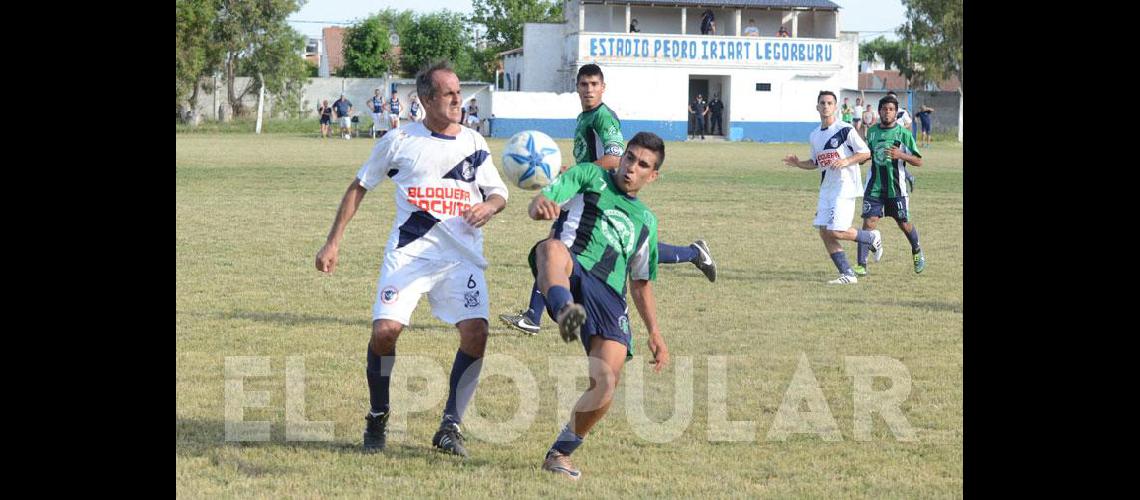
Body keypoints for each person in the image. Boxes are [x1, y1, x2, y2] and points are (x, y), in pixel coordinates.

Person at [314, 60, 509, 458]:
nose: (458, 99)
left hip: (461, 259)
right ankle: (378, 414)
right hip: (410, 255)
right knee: (384, 332)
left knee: (477, 333)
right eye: (449, 93)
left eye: (459, 92)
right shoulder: (399, 140)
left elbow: (498, 193)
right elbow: (359, 186)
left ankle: (450, 425)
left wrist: (489, 207)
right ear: (425, 99)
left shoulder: (474, 143)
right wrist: (332, 242)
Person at [499, 64, 715, 336]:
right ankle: (694, 252)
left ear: (603, 87)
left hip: (598, 190)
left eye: (594, 84)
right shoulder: (585, 117)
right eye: (583, 84)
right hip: (585, 186)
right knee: (572, 242)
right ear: (576, 87)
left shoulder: (603, 118)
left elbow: (614, 158)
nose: (588, 89)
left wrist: (582, 173)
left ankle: (534, 316)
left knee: (572, 242)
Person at [531, 131, 672, 480]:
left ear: (652, 176)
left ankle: (560, 453)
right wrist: (540, 205)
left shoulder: (646, 222)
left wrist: (654, 331)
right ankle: (566, 311)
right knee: (549, 249)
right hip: (572, 265)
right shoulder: (588, 176)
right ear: (621, 156)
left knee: (606, 382)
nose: (631, 169)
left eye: (643, 165)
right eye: (630, 158)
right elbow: (543, 200)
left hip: (609, 296)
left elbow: (640, 282)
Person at [782, 90, 877, 284]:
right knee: (824, 232)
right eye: (822, 103)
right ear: (817, 107)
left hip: (845, 186)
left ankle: (869, 238)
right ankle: (848, 274)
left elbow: (865, 152)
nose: (826, 106)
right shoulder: (815, 135)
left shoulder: (845, 129)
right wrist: (799, 163)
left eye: (829, 103)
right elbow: (816, 162)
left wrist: (846, 161)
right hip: (827, 188)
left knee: (835, 231)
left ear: (836, 107)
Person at [854, 94, 925, 276]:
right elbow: (867, 153)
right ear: (879, 112)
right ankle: (861, 265)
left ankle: (916, 250)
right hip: (874, 187)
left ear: (896, 113)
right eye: (884, 109)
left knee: (904, 224)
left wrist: (901, 155)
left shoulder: (904, 134)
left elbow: (918, 161)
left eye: (891, 109)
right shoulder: (872, 132)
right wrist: (862, 158)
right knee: (868, 223)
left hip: (897, 189)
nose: (887, 112)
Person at [886, 91, 916, 191]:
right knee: (890, 163)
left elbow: (909, 123)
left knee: (895, 163)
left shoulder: (902, 112)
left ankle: (902, 186)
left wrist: (901, 129)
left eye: (893, 98)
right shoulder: (885, 111)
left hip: (899, 142)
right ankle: (907, 178)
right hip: (887, 141)